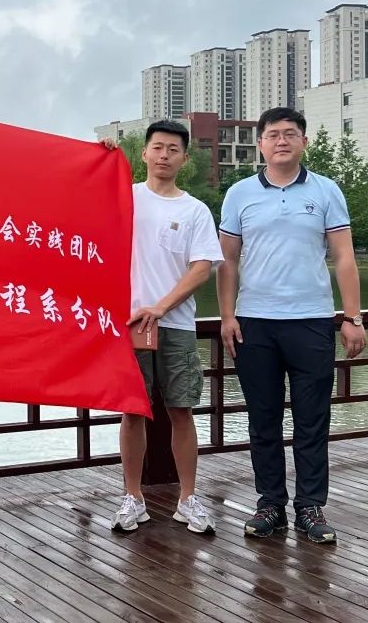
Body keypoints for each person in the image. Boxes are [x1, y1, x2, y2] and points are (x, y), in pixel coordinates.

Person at [216, 107, 366, 545]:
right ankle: (270, 504)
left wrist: (352, 317)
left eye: (290, 134)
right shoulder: (239, 194)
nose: (281, 141)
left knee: (311, 419)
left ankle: (310, 506)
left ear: (304, 141)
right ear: (260, 144)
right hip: (255, 322)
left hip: (312, 320)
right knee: (263, 419)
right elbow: (227, 261)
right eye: (272, 135)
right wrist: (227, 316)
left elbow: (344, 257)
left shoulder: (326, 190)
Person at [104, 120, 223, 534]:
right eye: (157, 147)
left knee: (181, 410)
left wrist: (161, 306)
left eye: (173, 150)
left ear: (184, 159)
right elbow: (84, 198)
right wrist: (103, 155)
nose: (164, 156)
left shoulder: (194, 210)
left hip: (176, 324)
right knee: (132, 411)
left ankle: (187, 499)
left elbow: (202, 267)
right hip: (130, 323)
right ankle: (132, 497)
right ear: (144, 153)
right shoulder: (126, 196)